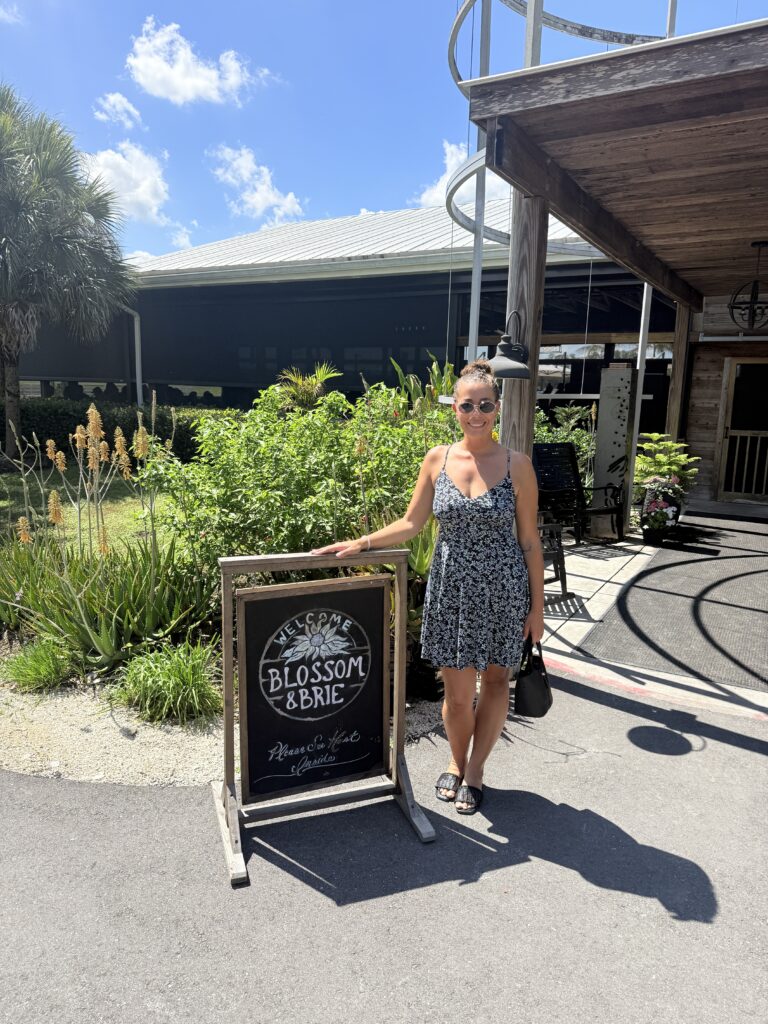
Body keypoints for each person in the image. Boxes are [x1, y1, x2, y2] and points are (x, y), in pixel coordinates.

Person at [311, 359, 544, 815]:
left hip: (505, 589)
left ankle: (474, 772)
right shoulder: (437, 459)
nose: (476, 413)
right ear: (453, 408)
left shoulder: (519, 466)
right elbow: (412, 522)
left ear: (497, 408)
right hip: (452, 589)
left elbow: (530, 541)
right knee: (456, 695)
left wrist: (536, 608)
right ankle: (456, 764)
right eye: (467, 405)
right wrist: (363, 542)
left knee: (496, 682)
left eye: (485, 405)